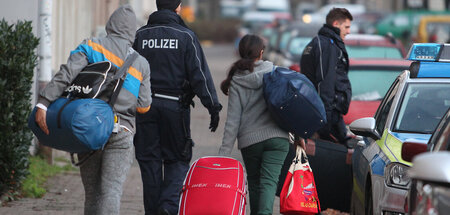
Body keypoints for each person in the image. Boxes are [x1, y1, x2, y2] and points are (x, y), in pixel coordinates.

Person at [34, 5, 152, 215]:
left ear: (110, 25)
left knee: (92, 193)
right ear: (133, 32)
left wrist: (43, 102)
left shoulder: (90, 46)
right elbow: (144, 107)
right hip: (121, 132)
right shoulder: (141, 63)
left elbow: (66, 75)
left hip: (88, 127)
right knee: (111, 191)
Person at [132, 1, 222, 214]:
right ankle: (168, 207)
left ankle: (154, 210)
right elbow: (199, 75)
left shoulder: (140, 35)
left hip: (145, 107)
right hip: (175, 108)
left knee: (149, 161)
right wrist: (213, 107)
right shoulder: (186, 36)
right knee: (177, 159)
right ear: (178, 7)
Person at [218, 34, 289, 215]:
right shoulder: (276, 72)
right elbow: (290, 107)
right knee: (269, 183)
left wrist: (224, 154)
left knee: (256, 183)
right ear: (261, 53)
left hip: (250, 141)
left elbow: (233, 120)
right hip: (277, 138)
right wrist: (298, 136)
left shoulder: (237, 80)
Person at [300, 8, 353, 148]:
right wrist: (325, 121)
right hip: (327, 117)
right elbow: (325, 83)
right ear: (336, 24)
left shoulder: (321, 43)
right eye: (346, 27)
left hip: (326, 114)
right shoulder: (327, 45)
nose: (349, 31)